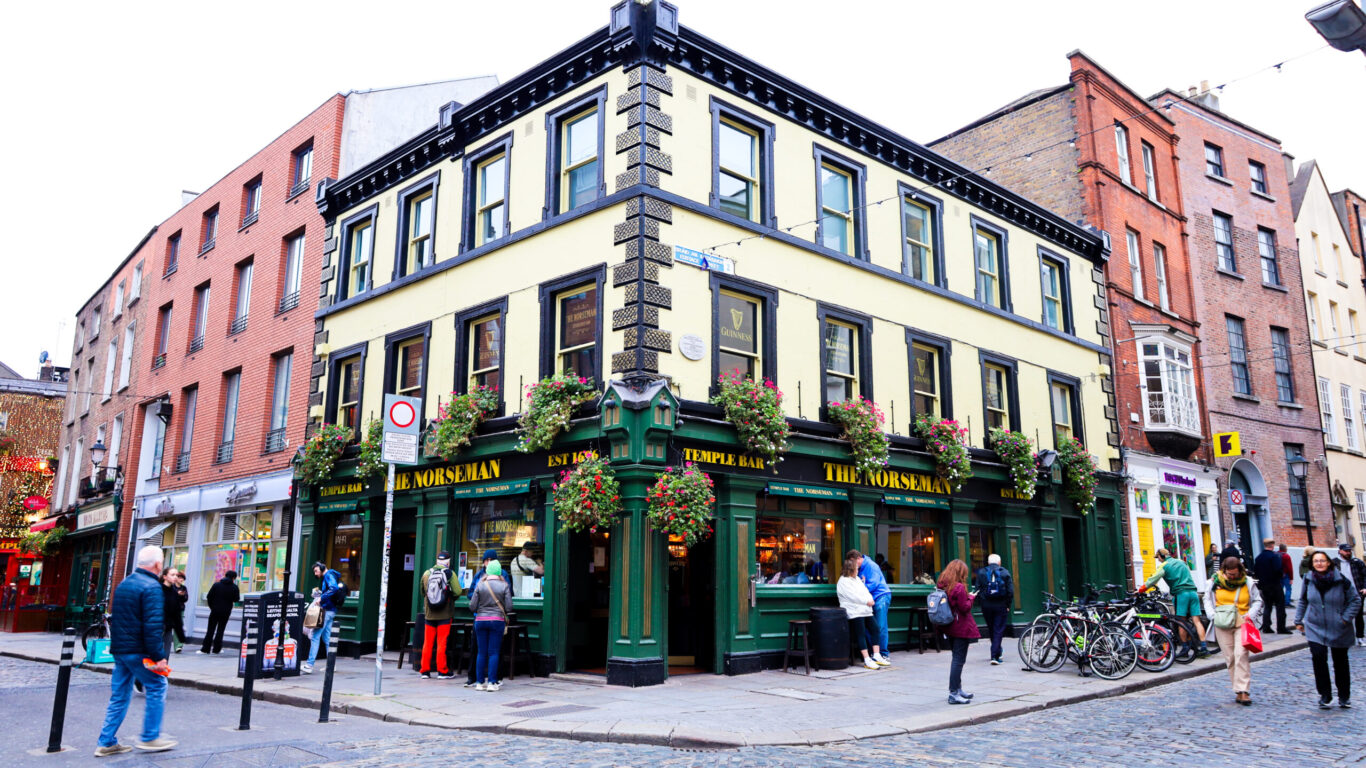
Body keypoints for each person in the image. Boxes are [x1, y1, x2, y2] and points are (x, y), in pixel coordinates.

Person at [95, 544, 176, 756]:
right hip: (138, 649)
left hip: (121, 649)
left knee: (120, 695)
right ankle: (150, 737)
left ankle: (106, 741)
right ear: (158, 564)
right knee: (158, 685)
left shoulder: (124, 584)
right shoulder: (151, 587)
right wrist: (159, 657)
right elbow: (153, 625)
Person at [1295, 549, 1362, 709]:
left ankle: (1344, 696)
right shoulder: (1308, 579)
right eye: (1316, 561)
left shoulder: (1341, 580)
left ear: (1328, 563)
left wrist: (1345, 619)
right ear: (1312, 564)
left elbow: (1355, 600)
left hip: (1338, 626)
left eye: (1322, 560)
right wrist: (1298, 619)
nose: (1319, 563)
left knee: (1340, 661)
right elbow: (1303, 600)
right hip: (1314, 625)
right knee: (1318, 658)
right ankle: (1325, 695)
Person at [1202, 556, 1263, 706]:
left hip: (1242, 621)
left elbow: (1257, 600)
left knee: (1241, 654)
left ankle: (1244, 691)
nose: (1232, 577)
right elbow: (1207, 599)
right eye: (1229, 574)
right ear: (1224, 571)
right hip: (1222, 622)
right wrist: (1212, 615)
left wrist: (1250, 614)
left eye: (1235, 574)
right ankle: (1238, 690)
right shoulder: (1213, 583)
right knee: (1230, 657)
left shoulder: (1247, 582)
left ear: (1240, 571)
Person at [1141, 548, 1208, 657]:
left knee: (1181, 622)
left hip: (1181, 594)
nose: (1158, 560)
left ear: (1161, 556)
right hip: (1193, 592)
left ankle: (1185, 649)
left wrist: (1140, 590)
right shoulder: (1182, 562)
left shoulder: (1164, 566)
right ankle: (1204, 648)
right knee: (1197, 621)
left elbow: (1153, 580)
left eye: (1158, 558)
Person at [468, 559, 512, 692]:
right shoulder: (504, 585)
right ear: (499, 572)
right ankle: (492, 682)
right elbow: (509, 607)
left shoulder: (480, 585)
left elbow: (472, 606)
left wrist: (481, 610)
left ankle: (479, 683)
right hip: (497, 621)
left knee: (481, 652)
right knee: (493, 653)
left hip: (480, 620)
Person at [939, 559, 979, 705]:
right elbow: (965, 607)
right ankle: (954, 693)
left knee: (956, 658)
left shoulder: (943, 585)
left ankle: (958, 688)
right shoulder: (959, 588)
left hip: (948, 626)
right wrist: (972, 598)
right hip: (960, 627)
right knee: (958, 660)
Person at [837, 554, 882, 670]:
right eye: (856, 569)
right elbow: (853, 597)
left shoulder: (856, 579)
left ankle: (876, 655)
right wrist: (867, 601)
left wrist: (870, 599)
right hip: (854, 611)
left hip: (864, 610)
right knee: (860, 633)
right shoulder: (843, 581)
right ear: (850, 570)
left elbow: (865, 590)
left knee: (875, 628)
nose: (858, 570)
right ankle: (867, 659)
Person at [419, 551, 459, 680]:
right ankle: (442, 671)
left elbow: (422, 592)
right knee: (442, 643)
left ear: (437, 561)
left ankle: (425, 671)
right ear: (448, 561)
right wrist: (449, 597)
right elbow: (458, 591)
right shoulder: (450, 574)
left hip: (430, 614)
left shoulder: (426, 573)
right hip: (445, 614)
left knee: (428, 643)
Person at [465, 549, 501, 689]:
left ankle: (486, 681)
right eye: (487, 560)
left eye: (491, 560)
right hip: (496, 619)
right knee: (487, 650)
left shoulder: (497, 577)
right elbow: (508, 603)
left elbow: (472, 602)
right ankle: (479, 679)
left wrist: (480, 605)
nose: (489, 562)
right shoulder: (482, 576)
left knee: (484, 651)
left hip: (480, 618)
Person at [851, 549, 892, 666]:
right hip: (869, 600)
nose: (853, 566)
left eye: (854, 562)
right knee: (872, 627)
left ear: (858, 559)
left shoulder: (871, 566)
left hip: (880, 597)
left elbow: (873, 584)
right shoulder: (861, 567)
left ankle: (883, 653)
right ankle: (875, 653)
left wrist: (857, 591)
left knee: (880, 626)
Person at [303, 562, 343, 674]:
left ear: (322, 568)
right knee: (327, 638)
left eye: (316, 571)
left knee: (315, 637)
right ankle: (331, 665)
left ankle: (309, 665)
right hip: (331, 611)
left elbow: (334, 588)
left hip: (326, 610)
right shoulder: (331, 575)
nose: (315, 573)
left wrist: (321, 598)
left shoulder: (328, 575)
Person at [974, 554, 1014, 665]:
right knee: (998, 629)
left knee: (992, 628)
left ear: (988, 562)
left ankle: (997, 650)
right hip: (1000, 605)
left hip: (986, 605)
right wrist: (1008, 605)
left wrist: (981, 602)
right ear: (999, 562)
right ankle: (995, 656)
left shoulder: (981, 572)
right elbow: (1010, 591)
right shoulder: (1005, 572)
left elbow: (977, 589)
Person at [1252, 538, 1288, 634]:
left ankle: (1266, 626)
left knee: (1268, 606)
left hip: (1264, 585)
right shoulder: (1274, 556)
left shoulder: (1258, 557)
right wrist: (1280, 575)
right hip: (1275, 584)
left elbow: (1256, 571)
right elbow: (1278, 570)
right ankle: (1281, 628)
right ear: (1272, 545)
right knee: (1280, 605)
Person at [199, 570, 240, 655]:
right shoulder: (234, 587)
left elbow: (209, 597)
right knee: (220, 630)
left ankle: (205, 649)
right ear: (234, 578)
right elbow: (236, 599)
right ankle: (217, 649)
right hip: (226, 611)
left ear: (225, 575)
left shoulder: (216, 585)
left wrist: (212, 607)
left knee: (210, 629)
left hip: (215, 610)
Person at [1334, 543, 1366, 646]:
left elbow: (1365, 575)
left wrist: (1365, 587)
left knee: (1359, 616)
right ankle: (1343, 637)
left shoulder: (1357, 562)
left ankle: (1360, 638)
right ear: (1340, 551)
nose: (1348, 553)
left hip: (1357, 593)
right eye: (1346, 551)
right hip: (1341, 594)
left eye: (1349, 551)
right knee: (1342, 616)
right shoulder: (1334, 563)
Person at [160, 568, 187, 655]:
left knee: (166, 654)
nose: (175, 577)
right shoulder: (157, 589)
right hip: (157, 626)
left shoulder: (174, 592)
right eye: (172, 575)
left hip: (168, 627)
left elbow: (177, 615)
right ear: (165, 576)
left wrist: (181, 636)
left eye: (176, 575)